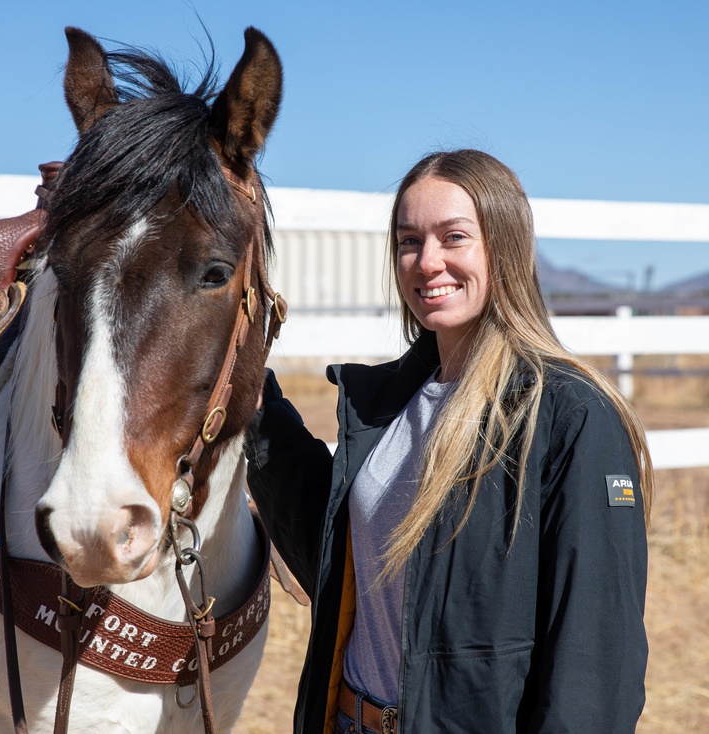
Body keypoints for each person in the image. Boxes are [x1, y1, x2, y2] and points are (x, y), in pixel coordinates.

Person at [245, 149, 651, 733]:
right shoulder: (385, 403)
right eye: (409, 241)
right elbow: (342, 569)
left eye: (453, 237)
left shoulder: (568, 415)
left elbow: (595, 663)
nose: (427, 261)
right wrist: (258, 412)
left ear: (503, 247)